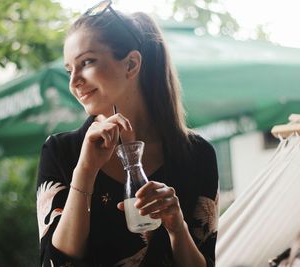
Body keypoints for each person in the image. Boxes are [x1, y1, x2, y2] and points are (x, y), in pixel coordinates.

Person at [36, 1, 219, 266]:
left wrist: (178, 229)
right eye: (69, 70)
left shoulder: (197, 155)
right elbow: (53, 262)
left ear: (131, 64)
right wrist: (85, 171)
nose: (73, 81)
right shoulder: (60, 151)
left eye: (86, 62)